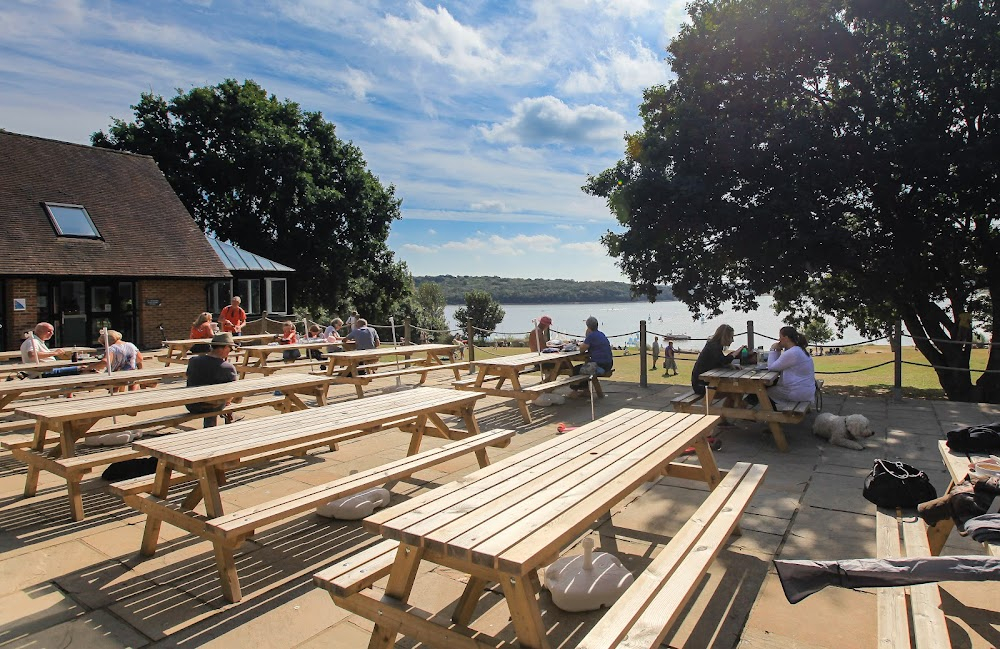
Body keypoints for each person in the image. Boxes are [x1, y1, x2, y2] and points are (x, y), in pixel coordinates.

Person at [185, 332, 240, 427]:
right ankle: (227, 419)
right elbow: (233, 393)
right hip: (211, 406)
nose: (230, 351)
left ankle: (227, 418)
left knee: (212, 399)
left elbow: (187, 376)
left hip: (191, 405)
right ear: (226, 347)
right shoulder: (228, 367)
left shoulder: (193, 360)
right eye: (230, 349)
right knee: (218, 402)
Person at [761, 326, 816, 409]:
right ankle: (744, 404)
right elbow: (778, 365)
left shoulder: (793, 352)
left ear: (786, 338)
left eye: (780, 337)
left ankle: (773, 418)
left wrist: (773, 350)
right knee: (765, 387)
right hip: (806, 390)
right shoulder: (799, 350)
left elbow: (771, 367)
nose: (779, 340)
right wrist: (778, 351)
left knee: (762, 391)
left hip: (798, 392)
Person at [11, 322, 84, 379]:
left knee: (78, 368)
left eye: (52, 331)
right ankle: (69, 392)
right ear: (39, 331)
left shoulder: (37, 340)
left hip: (47, 370)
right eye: (48, 331)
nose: (52, 333)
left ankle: (68, 392)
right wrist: (54, 353)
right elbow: (32, 355)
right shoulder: (33, 341)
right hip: (42, 373)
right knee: (82, 369)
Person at [691, 324, 738, 396]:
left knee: (735, 388)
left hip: (703, 382)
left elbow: (719, 362)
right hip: (701, 385)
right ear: (725, 337)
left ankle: (731, 406)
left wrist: (729, 365)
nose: (732, 340)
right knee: (735, 389)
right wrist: (736, 353)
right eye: (731, 337)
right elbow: (723, 361)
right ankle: (736, 405)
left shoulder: (715, 345)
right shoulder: (713, 346)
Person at [570, 316, 614, 392]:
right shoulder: (601, 334)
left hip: (599, 365)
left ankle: (575, 392)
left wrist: (587, 336)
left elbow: (581, 350)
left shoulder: (591, 336)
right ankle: (586, 390)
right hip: (608, 364)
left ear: (588, 326)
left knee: (576, 369)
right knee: (585, 366)